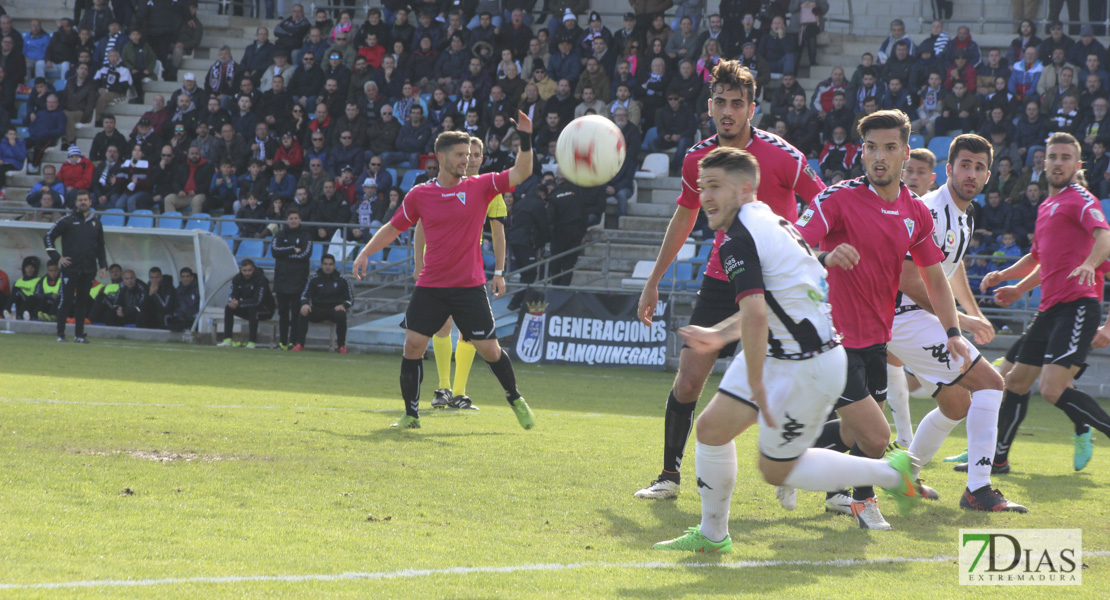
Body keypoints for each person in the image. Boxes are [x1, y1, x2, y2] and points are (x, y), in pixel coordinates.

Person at [653, 146, 924, 554]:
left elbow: (758, 314)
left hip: (808, 364)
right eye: (702, 187)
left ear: (745, 189)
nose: (705, 196)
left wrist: (759, 385)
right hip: (789, 350)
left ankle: (889, 472)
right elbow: (777, 295)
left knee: (777, 469)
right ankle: (712, 536)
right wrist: (719, 336)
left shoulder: (739, 239)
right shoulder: (771, 220)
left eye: (715, 187)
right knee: (711, 430)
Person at [633, 60, 826, 501]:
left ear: (751, 109)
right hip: (725, 279)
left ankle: (828, 482)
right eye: (720, 102)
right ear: (709, 106)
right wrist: (653, 280)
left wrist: (800, 247)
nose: (727, 111)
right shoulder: (697, 159)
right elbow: (685, 216)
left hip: (779, 285)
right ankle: (668, 475)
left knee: (807, 381)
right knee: (688, 380)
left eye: (737, 104)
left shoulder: (783, 155)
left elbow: (825, 204)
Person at [794, 110, 972, 530]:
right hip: (830, 339)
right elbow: (790, 243)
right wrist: (825, 256)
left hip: (878, 338)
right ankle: (864, 500)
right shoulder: (836, 199)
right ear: (862, 152)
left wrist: (953, 331)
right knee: (876, 437)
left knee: (856, 435)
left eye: (889, 148)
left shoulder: (916, 213)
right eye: (871, 147)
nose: (879, 156)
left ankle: (794, 461)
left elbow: (934, 278)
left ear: (904, 154)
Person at [352, 118, 537, 430]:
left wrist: (526, 138)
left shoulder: (481, 186)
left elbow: (522, 172)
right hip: (432, 286)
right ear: (440, 157)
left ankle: (515, 398)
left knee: (490, 350)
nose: (467, 160)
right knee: (412, 345)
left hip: (469, 287)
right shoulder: (419, 195)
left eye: (469, 155)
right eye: (460, 155)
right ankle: (411, 414)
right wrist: (365, 252)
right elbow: (393, 227)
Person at [882, 134, 1025, 512]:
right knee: (992, 383)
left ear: (988, 176)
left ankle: (904, 476)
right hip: (903, 316)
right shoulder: (929, 209)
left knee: (957, 403)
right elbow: (907, 278)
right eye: (965, 165)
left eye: (979, 167)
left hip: (917, 317)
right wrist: (957, 321)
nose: (971, 173)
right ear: (948, 169)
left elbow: (951, 264)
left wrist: (971, 311)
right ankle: (978, 489)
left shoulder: (965, 214)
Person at [974, 132, 1110, 475]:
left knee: (1052, 389)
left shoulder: (1080, 199)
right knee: (1015, 381)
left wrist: (1090, 266)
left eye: (1066, 157)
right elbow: (1039, 259)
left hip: (1077, 307)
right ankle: (998, 460)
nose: (1058, 162)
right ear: (1043, 163)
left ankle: (1085, 429)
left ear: (1077, 165)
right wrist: (1008, 281)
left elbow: (1104, 236)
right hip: (1048, 310)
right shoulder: (1047, 206)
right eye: (1053, 156)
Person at [417, 136, 507, 411]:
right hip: (438, 266)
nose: (473, 159)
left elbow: (498, 231)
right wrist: (418, 264)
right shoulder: (436, 187)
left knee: (470, 334)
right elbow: (420, 224)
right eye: (469, 153)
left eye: (478, 154)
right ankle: (443, 388)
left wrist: (499, 271)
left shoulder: (486, 188)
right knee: (442, 326)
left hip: (470, 268)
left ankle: (459, 393)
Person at [44, 190, 108, 343]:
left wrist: (103, 266)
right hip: (70, 269)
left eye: (85, 200)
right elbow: (48, 237)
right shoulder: (67, 220)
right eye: (80, 200)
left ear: (90, 202)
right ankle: (61, 334)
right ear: (76, 202)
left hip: (89, 269)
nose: (83, 202)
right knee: (65, 301)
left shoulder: (96, 222)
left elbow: (100, 246)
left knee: (82, 303)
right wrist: (57, 258)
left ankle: (79, 335)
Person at [270, 206, 313, 348]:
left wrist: (286, 255)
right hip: (282, 280)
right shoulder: (280, 235)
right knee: (283, 314)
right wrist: (293, 249)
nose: (293, 221)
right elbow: (275, 251)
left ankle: (293, 342)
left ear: (300, 220)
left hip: (298, 280)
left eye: (296, 218)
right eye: (291, 218)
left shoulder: (306, 235)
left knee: (296, 314)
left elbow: (305, 254)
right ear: (286, 220)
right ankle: (282, 342)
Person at [294, 254, 353, 352]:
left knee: (342, 315)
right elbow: (305, 295)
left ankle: (341, 346)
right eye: (325, 264)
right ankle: (300, 344)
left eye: (330, 264)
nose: (328, 266)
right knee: (303, 312)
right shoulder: (314, 279)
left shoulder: (342, 280)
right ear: (321, 265)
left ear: (334, 265)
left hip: (334, 309)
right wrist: (305, 303)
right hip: (318, 309)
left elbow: (350, 299)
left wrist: (343, 305)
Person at [217, 259, 275, 348]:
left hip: (265, 309)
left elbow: (257, 301)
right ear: (241, 270)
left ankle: (252, 342)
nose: (247, 273)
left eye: (249, 270)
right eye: (244, 271)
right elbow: (233, 294)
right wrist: (232, 302)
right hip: (247, 308)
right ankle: (227, 339)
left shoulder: (261, 279)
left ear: (254, 269)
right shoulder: (237, 279)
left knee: (253, 309)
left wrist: (239, 303)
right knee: (229, 308)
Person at [168, 267, 200, 331]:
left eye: (187, 276)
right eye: (183, 277)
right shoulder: (178, 291)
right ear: (180, 278)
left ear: (192, 277)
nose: (185, 279)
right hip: (180, 318)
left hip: (192, 319)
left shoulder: (198, 290)